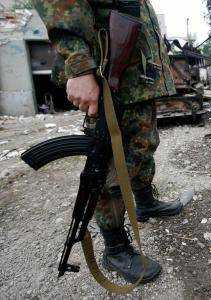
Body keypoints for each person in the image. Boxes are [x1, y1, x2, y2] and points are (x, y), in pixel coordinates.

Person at [32, 0, 183, 284]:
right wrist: (79, 68)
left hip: (135, 77)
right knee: (111, 165)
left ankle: (145, 202)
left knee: (142, 148)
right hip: (106, 75)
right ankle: (115, 248)